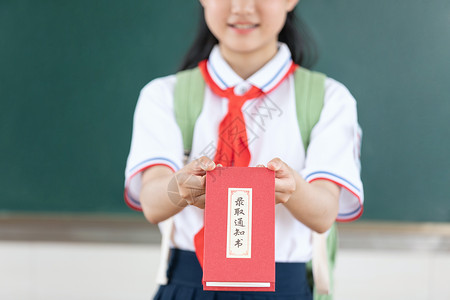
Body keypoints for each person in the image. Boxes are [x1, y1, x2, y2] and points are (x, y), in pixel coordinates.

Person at [124, 0, 363, 299]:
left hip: (282, 288)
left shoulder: (329, 99)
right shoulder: (164, 95)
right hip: (189, 285)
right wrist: (181, 187)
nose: (241, 7)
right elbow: (153, 203)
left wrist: (292, 190)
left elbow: (324, 212)